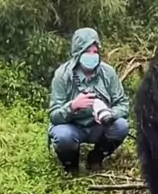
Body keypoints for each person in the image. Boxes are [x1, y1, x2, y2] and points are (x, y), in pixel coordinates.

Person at [48, 27, 130, 175]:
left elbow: (123, 104)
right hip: (72, 127)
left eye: (95, 52)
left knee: (121, 126)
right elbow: (54, 115)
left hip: (98, 127)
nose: (92, 56)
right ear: (78, 53)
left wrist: (110, 113)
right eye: (87, 51)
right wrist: (72, 107)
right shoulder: (62, 75)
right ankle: (71, 164)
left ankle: (96, 157)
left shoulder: (108, 73)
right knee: (63, 136)